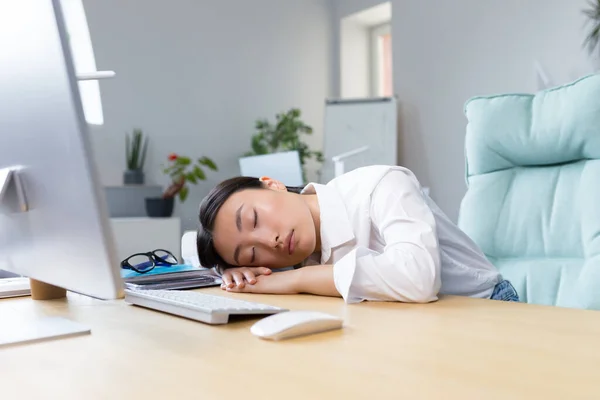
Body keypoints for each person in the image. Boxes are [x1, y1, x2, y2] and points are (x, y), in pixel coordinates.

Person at [196, 165, 519, 304]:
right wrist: (232, 272)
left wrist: (291, 281)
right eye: (253, 254)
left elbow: (418, 278)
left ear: (272, 183)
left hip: (487, 311)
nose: (271, 242)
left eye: (253, 219)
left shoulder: (379, 186)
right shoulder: (300, 252)